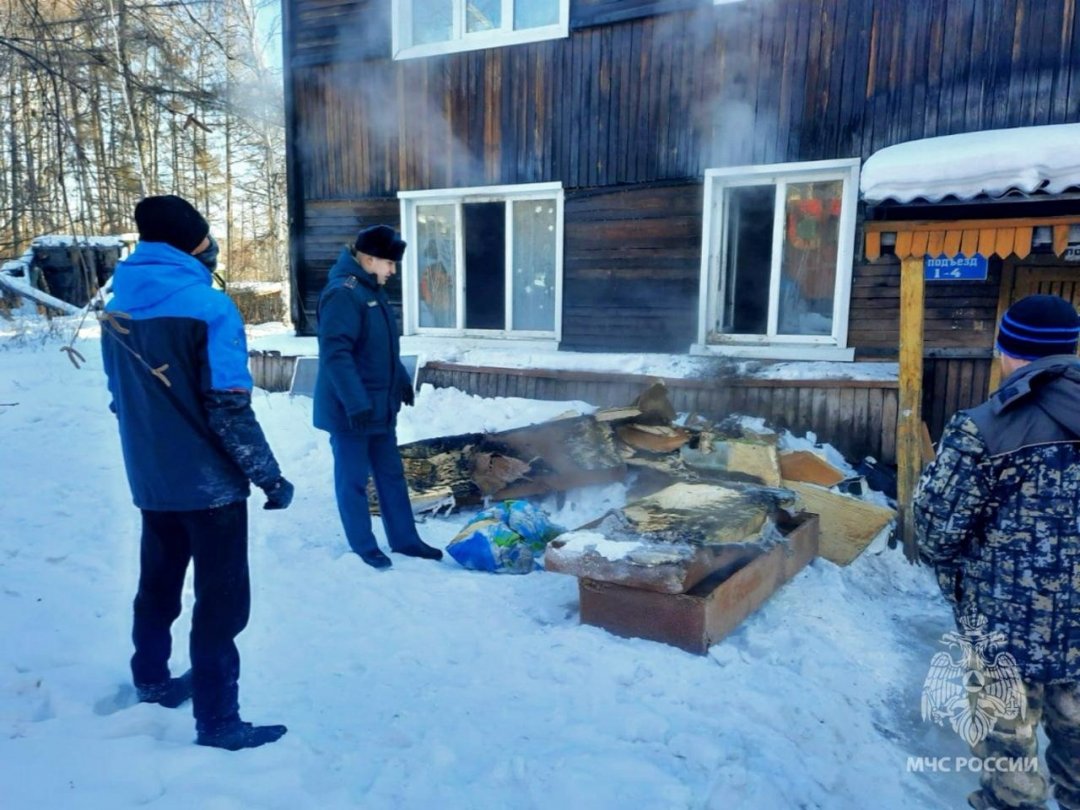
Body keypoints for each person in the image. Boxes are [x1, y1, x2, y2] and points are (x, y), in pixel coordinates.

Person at [101, 195, 293, 751]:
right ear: (193, 243)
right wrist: (270, 478)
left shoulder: (119, 303)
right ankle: (218, 722)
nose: (212, 250)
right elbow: (228, 407)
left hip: (152, 481)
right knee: (221, 603)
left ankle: (153, 680)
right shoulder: (209, 307)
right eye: (207, 240)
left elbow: (119, 400)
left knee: (157, 588)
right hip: (210, 490)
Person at [915, 294, 1080, 810]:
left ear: (1005, 349)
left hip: (1003, 640)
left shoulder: (983, 426)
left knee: (1011, 777)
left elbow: (936, 532)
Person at [313, 225, 443, 570]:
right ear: (368, 259)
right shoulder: (344, 293)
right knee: (353, 480)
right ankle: (364, 545)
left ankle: (406, 540)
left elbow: (381, 348)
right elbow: (336, 354)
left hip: (379, 407)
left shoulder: (372, 289)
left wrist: (399, 378)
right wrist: (356, 403)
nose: (393, 271)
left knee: (390, 475)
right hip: (351, 410)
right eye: (389, 263)